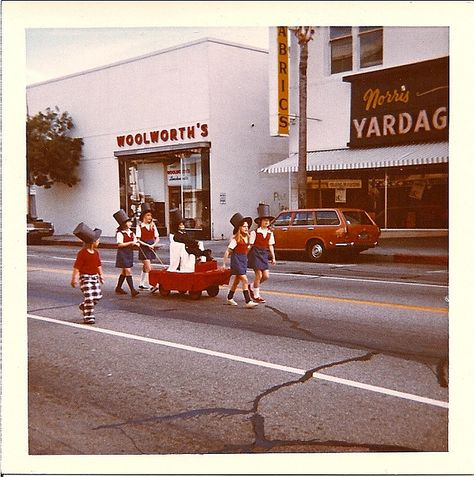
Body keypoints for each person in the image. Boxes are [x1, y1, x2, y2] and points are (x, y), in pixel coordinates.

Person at [70, 222, 105, 324]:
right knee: (89, 297)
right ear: (92, 242)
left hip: (94, 277)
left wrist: (101, 275)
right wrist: (74, 279)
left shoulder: (96, 253)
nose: (99, 242)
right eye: (97, 240)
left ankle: (85, 306)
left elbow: (98, 265)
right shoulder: (82, 253)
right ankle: (89, 316)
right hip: (85, 278)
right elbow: (77, 267)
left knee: (97, 296)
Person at [222, 213, 258, 309]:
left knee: (237, 281)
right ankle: (248, 301)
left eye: (247, 226)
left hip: (243, 259)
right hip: (236, 260)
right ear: (239, 228)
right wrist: (224, 264)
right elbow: (227, 251)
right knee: (245, 280)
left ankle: (229, 298)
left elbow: (247, 249)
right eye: (244, 226)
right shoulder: (235, 239)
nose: (246, 228)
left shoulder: (248, 237)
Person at [248, 203, 276, 304]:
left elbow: (271, 246)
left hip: (263, 254)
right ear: (260, 221)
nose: (266, 222)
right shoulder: (254, 232)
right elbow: (250, 245)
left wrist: (273, 257)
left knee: (266, 276)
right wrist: (244, 254)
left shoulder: (270, 233)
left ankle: (252, 286)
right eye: (264, 220)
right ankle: (256, 295)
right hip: (255, 254)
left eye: (268, 221)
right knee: (258, 275)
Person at [113, 209, 140, 297]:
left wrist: (138, 244)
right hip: (123, 254)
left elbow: (136, 241)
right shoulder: (120, 233)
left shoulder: (131, 233)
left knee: (124, 272)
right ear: (124, 223)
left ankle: (118, 287)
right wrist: (130, 243)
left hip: (129, 253)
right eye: (128, 222)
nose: (130, 223)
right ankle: (133, 290)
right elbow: (120, 245)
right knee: (128, 271)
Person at [136, 203, 160, 290]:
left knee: (145, 267)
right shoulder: (139, 226)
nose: (150, 217)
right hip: (144, 248)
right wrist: (147, 245)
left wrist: (153, 244)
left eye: (150, 215)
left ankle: (141, 283)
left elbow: (157, 237)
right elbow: (138, 239)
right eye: (148, 215)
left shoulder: (153, 226)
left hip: (151, 247)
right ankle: (152, 285)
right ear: (143, 216)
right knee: (149, 267)